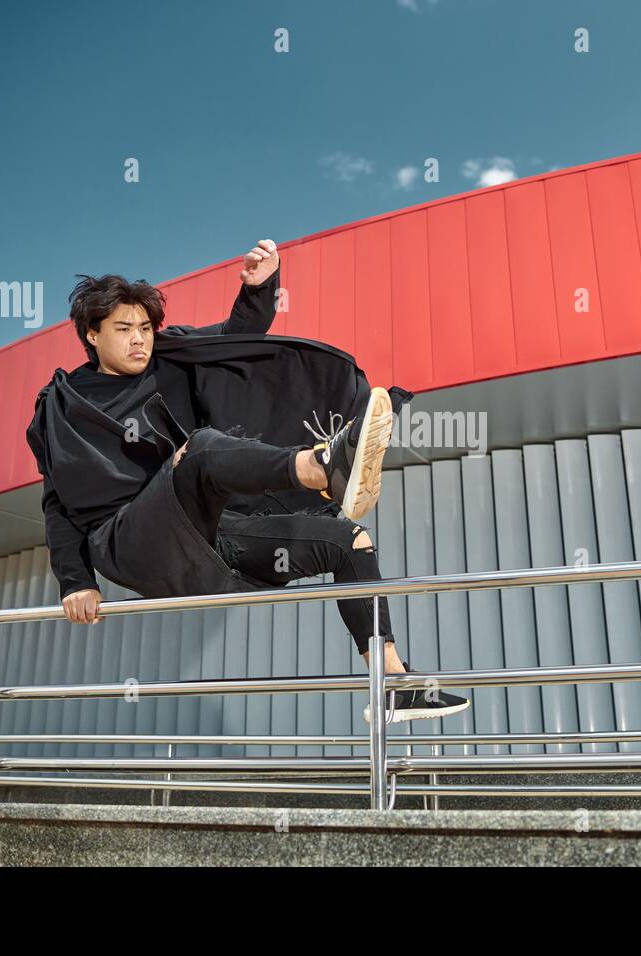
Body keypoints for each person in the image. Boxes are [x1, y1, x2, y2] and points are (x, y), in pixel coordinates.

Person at [25, 239, 468, 724]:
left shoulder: (172, 360)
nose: (140, 340)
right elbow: (57, 503)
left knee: (348, 541)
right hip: (131, 539)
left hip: (209, 531)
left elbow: (234, 337)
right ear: (92, 335)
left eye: (146, 329)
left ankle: (392, 685)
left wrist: (259, 288)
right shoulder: (65, 404)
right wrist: (76, 581)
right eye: (124, 329)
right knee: (200, 449)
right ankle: (322, 470)